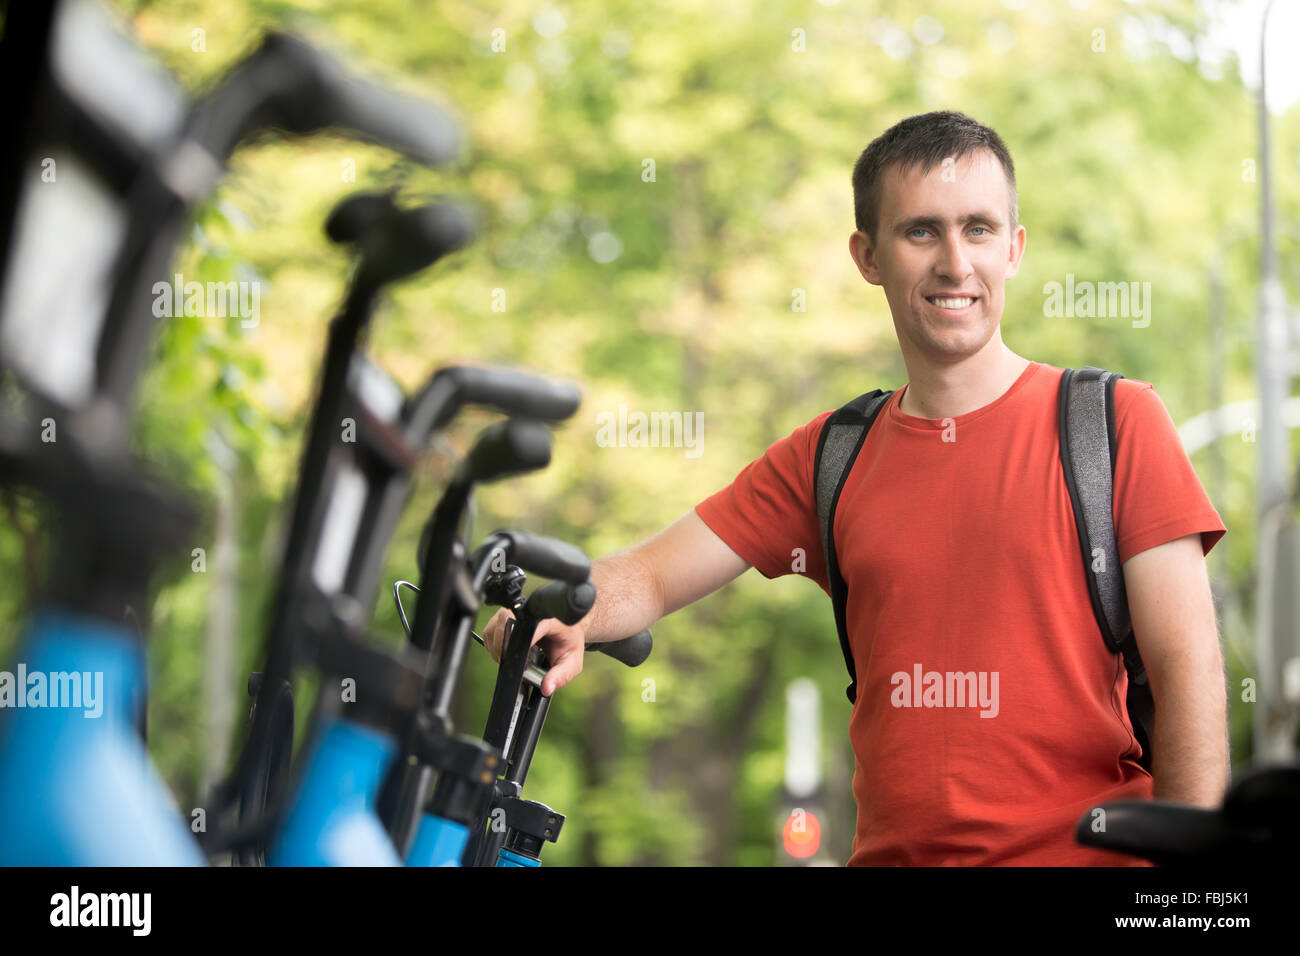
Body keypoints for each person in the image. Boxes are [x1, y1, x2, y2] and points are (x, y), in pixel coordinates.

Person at [483, 110, 1229, 866]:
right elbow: (648, 574)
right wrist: (574, 612)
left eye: (978, 229)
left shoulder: (1113, 424)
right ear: (868, 256)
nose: (954, 263)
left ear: (1015, 248)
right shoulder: (832, 455)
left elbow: (1188, 671)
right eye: (920, 232)